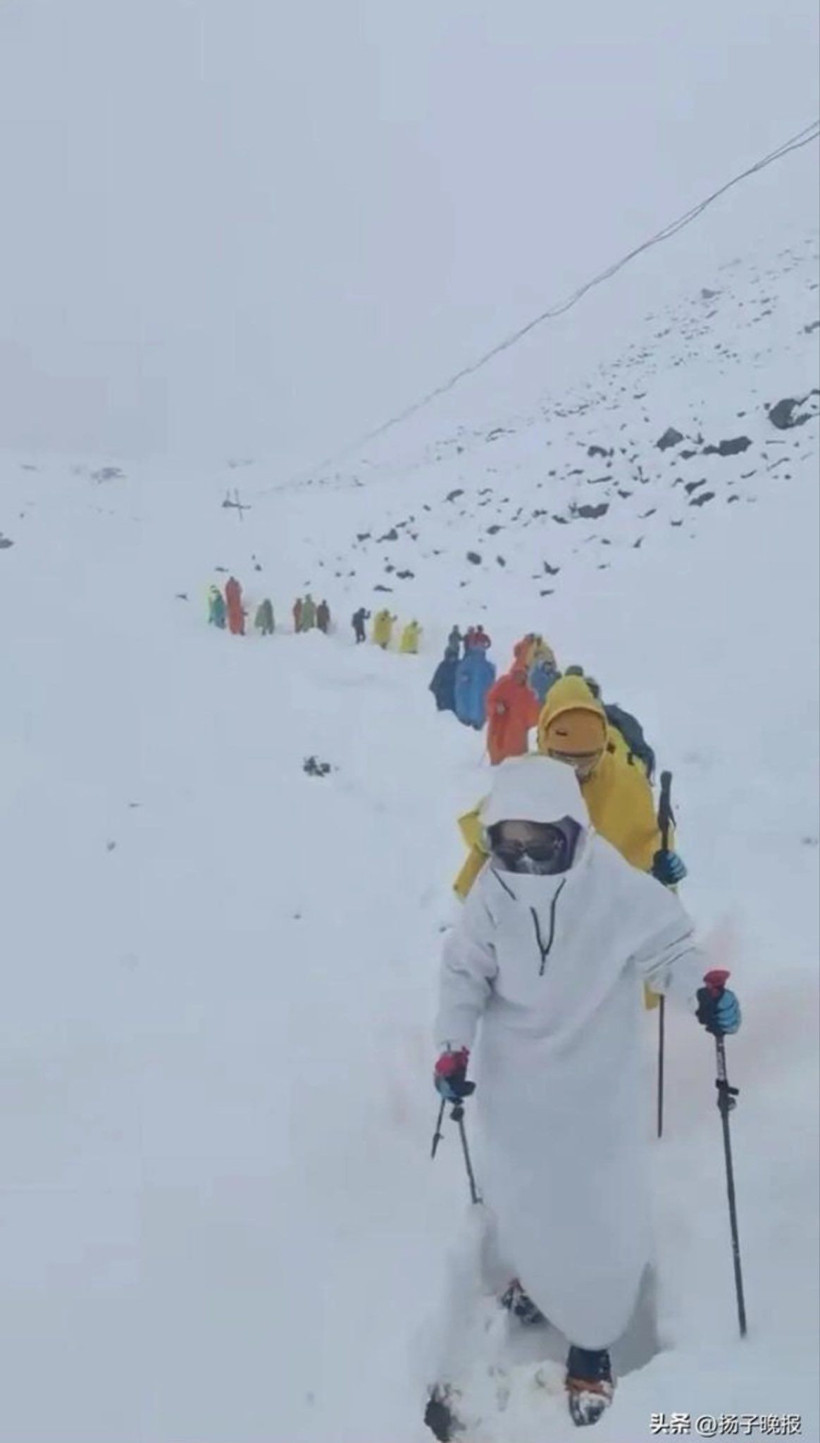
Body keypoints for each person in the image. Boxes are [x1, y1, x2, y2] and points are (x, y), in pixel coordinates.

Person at [433, 755, 741, 1427]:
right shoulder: (492, 893)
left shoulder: (614, 886)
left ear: (571, 830)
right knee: (527, 1198)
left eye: (538, 841)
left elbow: (669, 951)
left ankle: (593, 1340)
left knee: (596, 1214)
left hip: (597, 1090)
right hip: (517, 1088)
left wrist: (703, 993)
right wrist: (453, 1044)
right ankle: (539, 1281)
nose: (523, 856)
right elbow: (463, 974)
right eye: (509, 841)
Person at [452, 675, 684, 899]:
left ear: (602, 745)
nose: (576, 769)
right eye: (564, 758)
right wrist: (493, 837)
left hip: (603, 910)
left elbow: (648, 847)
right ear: (545, 740)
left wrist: (663, 872)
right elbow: (481, 823)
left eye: (587, 759)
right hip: (535, 908)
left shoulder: (627, 781)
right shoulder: (527, 777)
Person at [485, 666, 541, 765]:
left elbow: (533, 719)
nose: (520, 677)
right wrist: (497, 707)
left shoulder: (528, 692)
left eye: (523, 674)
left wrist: (536, 706)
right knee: (498, 763)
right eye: (518, 673)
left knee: (516, 764)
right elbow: (489, 700)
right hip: (500, 731)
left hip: (518, 737)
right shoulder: (503, 683)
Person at [454, 644, 496, 730]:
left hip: (466, 707)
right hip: (481, 699)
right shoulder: (487, 666)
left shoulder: (466, 663)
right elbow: (492, 681)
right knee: (479, 705)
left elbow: (459, 683)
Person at [428, 645, 459, 714]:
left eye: (454, 656)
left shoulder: (459, 665)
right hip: (446, 700)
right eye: (451, 656)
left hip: (455, 700)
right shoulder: (443, 666)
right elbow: (434, 685)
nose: (452, 659)